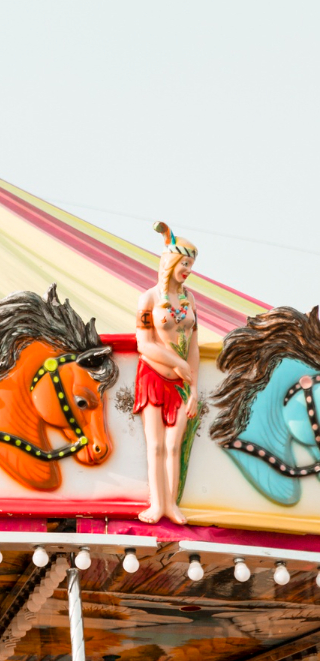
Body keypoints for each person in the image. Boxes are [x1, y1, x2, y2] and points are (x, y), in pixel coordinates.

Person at [135, 222, 200, 524]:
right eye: (184, 262)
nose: (187, 269)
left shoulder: (190, 301)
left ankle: (171, 504)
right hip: (152, 377)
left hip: (182, 385)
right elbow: (143, 343)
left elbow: (195, 347)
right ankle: (156, 504)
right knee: (157, 444)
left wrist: (194, 386)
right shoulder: (148, 299)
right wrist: (176, 362)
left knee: (174, 446)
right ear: (171, 262)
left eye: (191, 264)